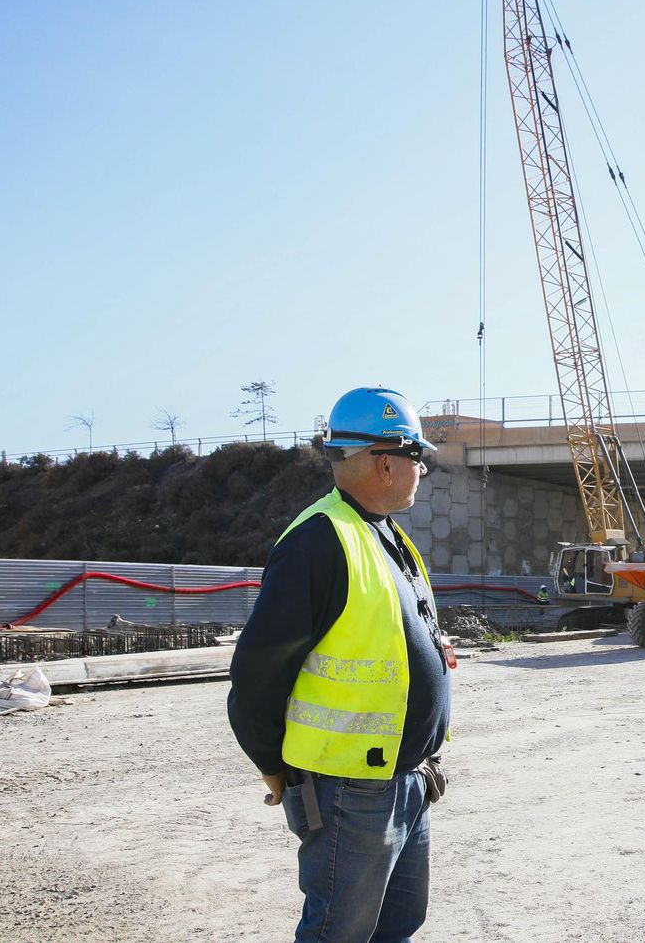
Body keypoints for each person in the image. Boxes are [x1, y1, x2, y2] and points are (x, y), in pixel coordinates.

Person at [227, 387, 452, 943]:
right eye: (416, 457)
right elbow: (257, 673)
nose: (422, 469)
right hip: (351, 791)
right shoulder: (318, 541)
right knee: (339, 934)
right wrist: (271, 764)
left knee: (397, 926)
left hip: (405, 779)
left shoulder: (384, 534)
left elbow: (372, 632)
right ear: (384, 462)